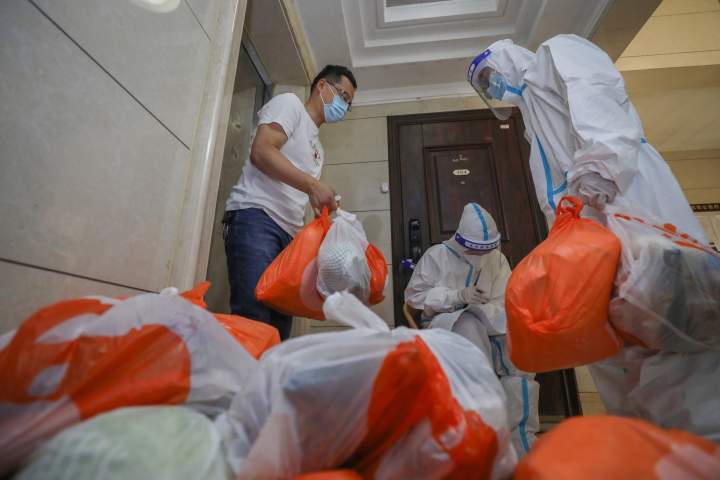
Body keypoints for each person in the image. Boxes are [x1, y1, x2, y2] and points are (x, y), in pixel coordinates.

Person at [467, 35, 719, 442]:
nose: (491, 86)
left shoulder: (555, 54)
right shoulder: (532, 117)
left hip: (622, 201)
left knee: (667, 326)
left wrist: (603, 164)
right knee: (616, 347)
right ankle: (652, 449)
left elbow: (596, 90)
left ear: (507, 60)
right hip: (590, 232)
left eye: (488, 75)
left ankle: (701, 444)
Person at [223, 65, 356, 340]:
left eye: (348, 103)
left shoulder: (318, 149)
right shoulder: (290, 104)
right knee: (255, 320)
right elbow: (262, 151)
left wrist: (322, 206)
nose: (343, 106)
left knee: (278, 330)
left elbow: (301, 189)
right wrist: (312, 185)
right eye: (342, 96)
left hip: (289, 237)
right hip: (257, 218)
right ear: (322, 86)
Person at [405, 202, 539, 457]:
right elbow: (415, 297)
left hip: (490, 320)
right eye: (476, 249)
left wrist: (493, 312)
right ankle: (480, 437)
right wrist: (457, 296)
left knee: (519, 354)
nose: (481, 255)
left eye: (486, 249)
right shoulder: (437, 256)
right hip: (445, 323)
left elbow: (505, 298)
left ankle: (520, 440)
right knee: (470, 331)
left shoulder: (496, 259)